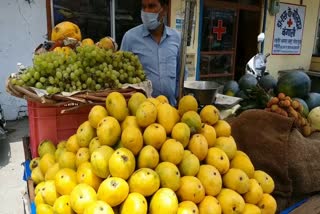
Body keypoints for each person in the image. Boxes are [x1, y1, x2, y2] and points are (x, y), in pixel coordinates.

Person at [120, 0, 187, 106]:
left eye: (151, 6)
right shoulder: (130, 38)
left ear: (164, 10)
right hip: (142, 113)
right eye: (143, 7)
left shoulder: (176, 38)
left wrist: (179, 99)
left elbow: (181, 72)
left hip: (170, 111)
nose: (146, 11)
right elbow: (121, 76)